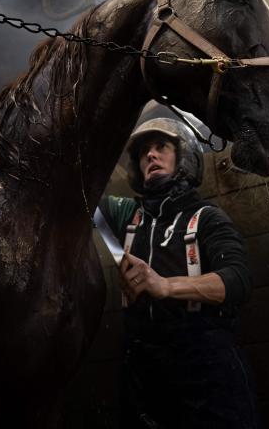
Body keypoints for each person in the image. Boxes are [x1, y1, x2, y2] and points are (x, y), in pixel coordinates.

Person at [97, 117, 258, 429]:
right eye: (144, 152)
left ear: (184, 155)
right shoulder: (126, 215)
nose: (151, 156)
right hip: (143, 373)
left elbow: (239, 280)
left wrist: (166, 286)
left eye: (161, 147)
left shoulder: (207, 218)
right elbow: (81, 199)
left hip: (207, 369)